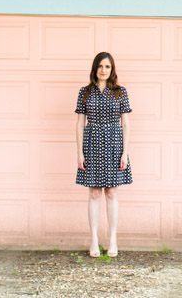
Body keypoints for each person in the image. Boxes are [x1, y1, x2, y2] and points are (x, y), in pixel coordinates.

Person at [75, 52, 132, 258]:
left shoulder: (120, 92)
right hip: (91, 142)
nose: (103, 70)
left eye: (107, 66)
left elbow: (125, 123)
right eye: (100, 66)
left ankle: (113, 240)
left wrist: (125, 152)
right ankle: (94, 240)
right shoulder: (85, 92)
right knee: (94, 193)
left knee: (111, 193)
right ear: (95, 68)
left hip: (114, 143)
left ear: (112, 69)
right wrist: (80, 152)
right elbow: (80, 123)